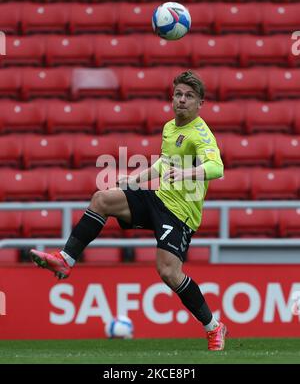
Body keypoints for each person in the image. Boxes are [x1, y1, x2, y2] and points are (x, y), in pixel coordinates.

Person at [30, 70, 227, 351]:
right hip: (159, 198)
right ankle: (66, 259)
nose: (182, 100)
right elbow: (163, 164)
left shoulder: (200, 134)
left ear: (200, 103)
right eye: (179, 94)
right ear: (173, 98)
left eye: (190, 96)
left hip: (180, 214)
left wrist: (185, 173)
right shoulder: (171, 127)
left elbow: (216, 168)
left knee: (169, 273)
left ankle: (213, 327)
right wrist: (135, 179)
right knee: (102, 199)